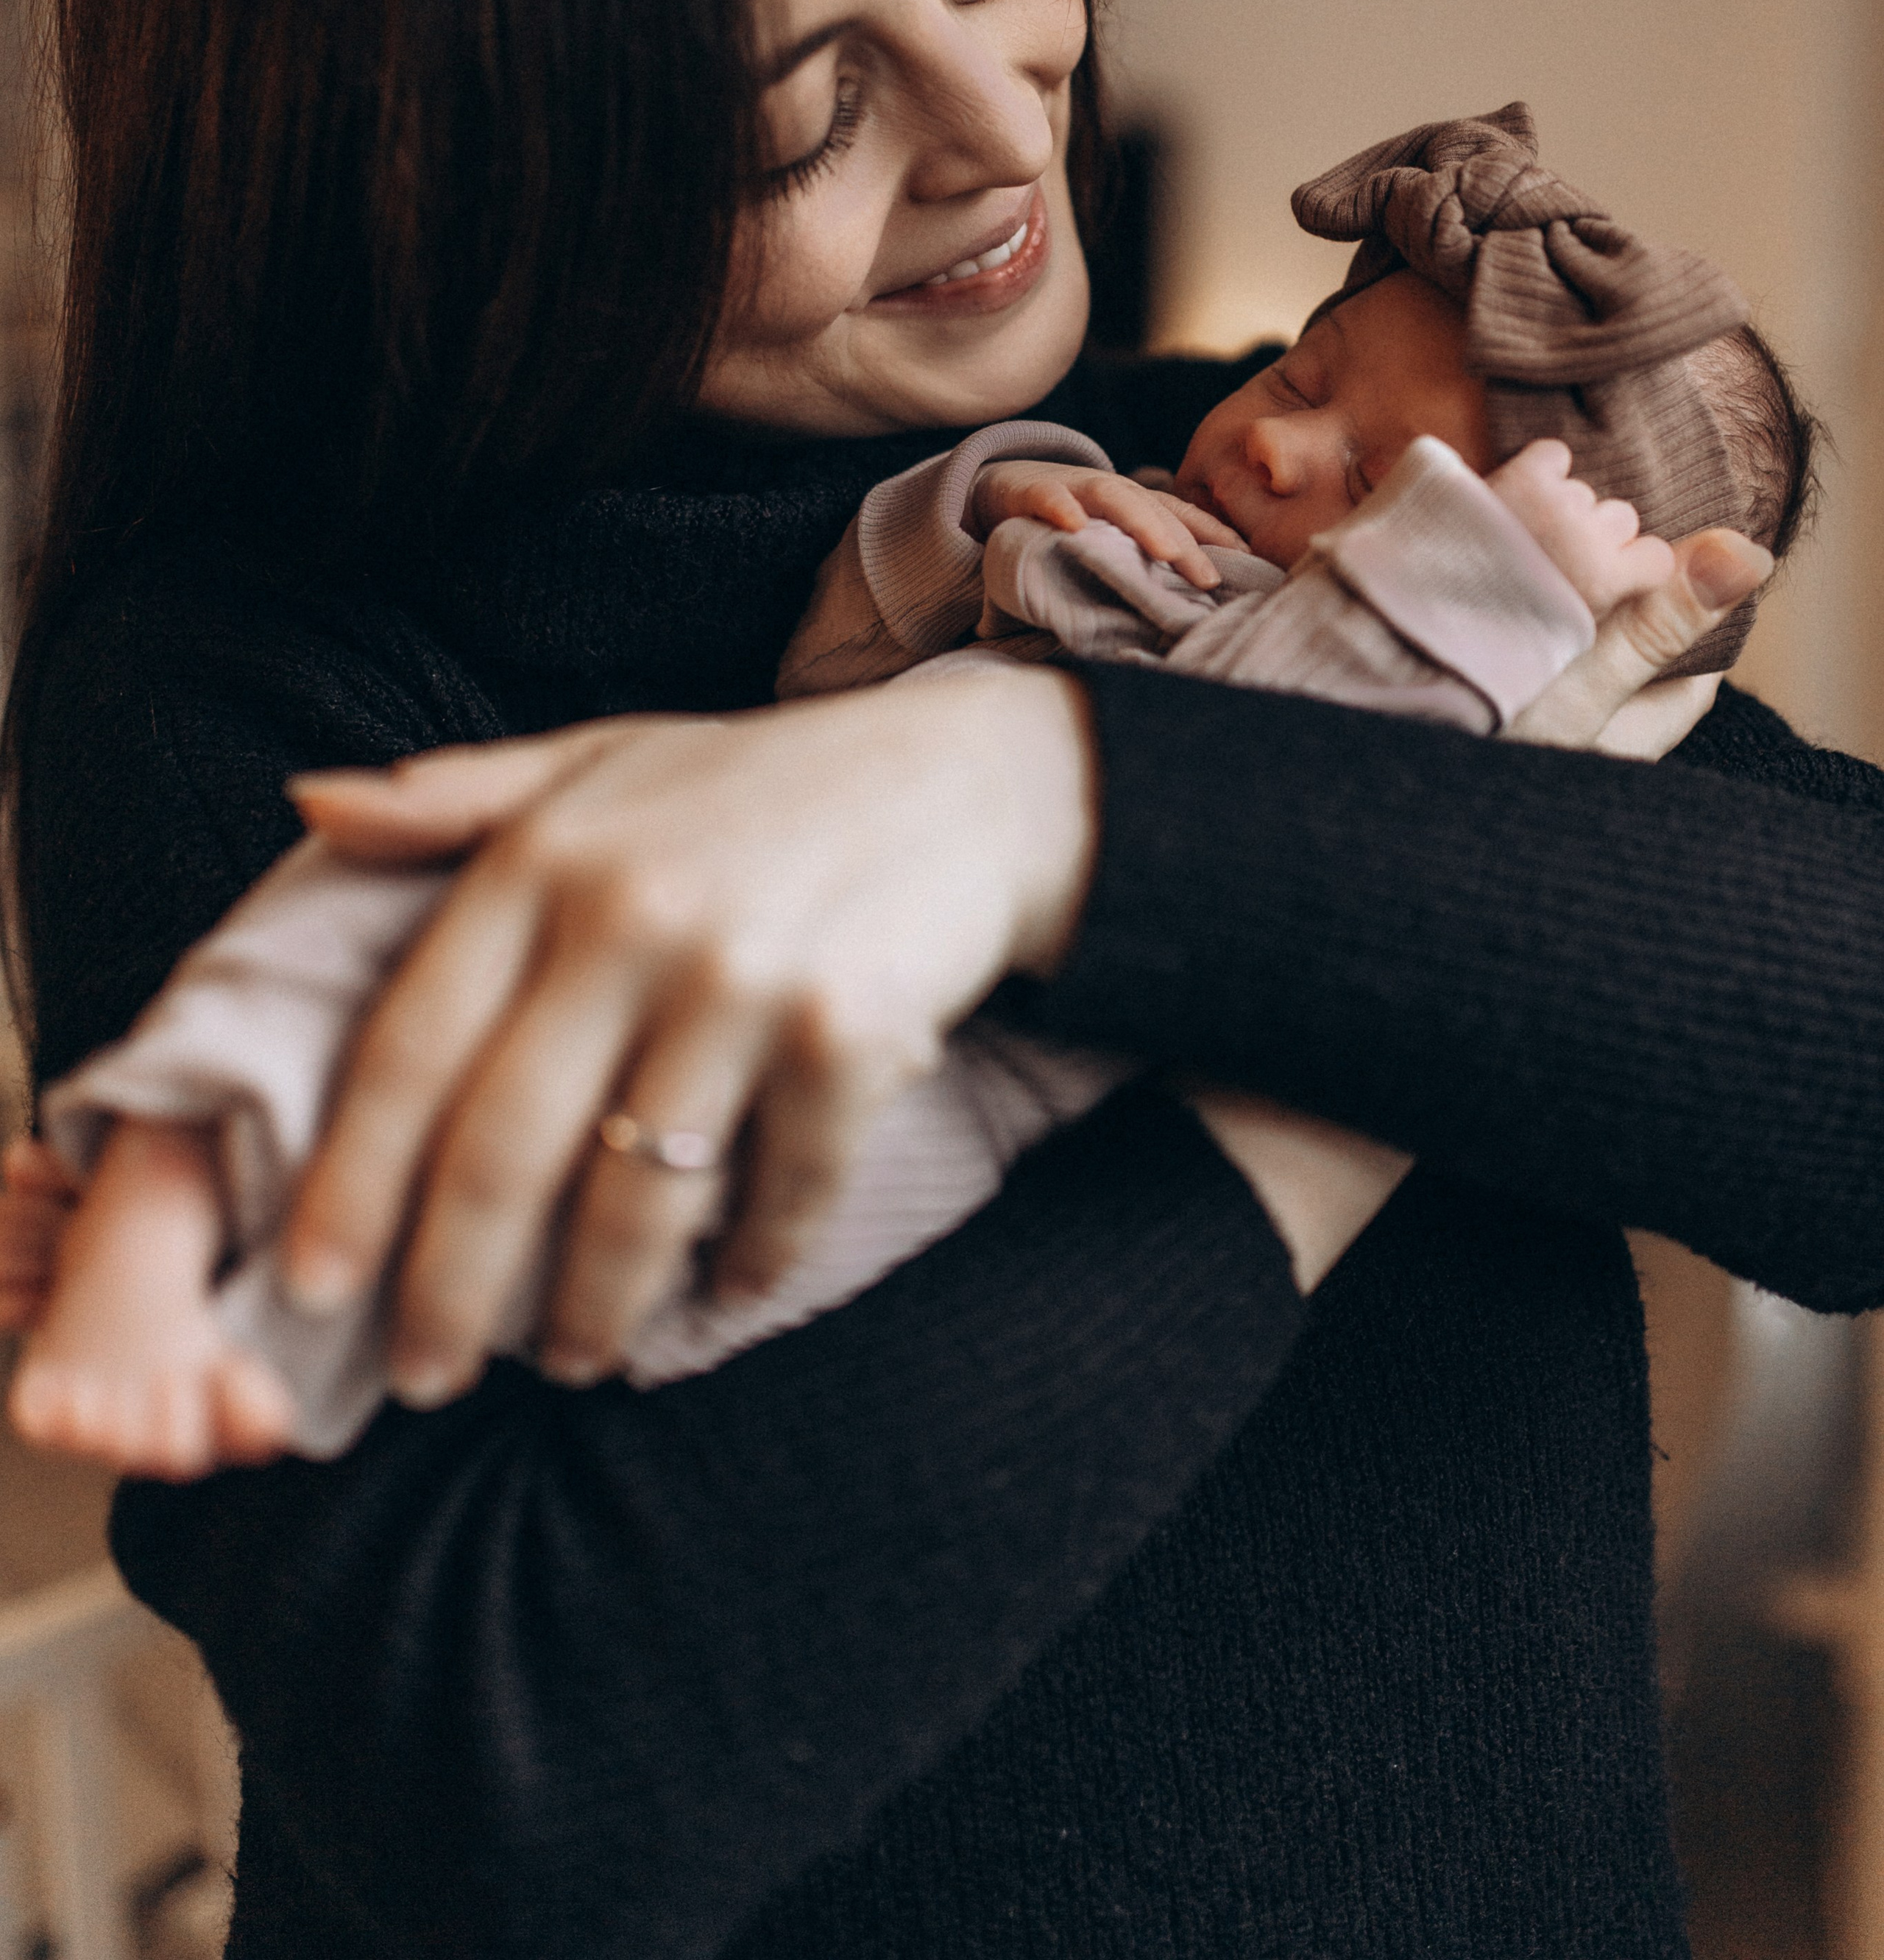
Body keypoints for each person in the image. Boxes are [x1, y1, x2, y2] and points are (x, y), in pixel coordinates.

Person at [8, 0, 1881, 1960]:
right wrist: (1295, 1114)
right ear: (451, 169)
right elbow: (512, 1768)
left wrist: (1045, 792)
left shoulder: (1222, 494)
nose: (1007, 131)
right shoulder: (238, 691)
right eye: (803, 118)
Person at [2, 105, 1806, 1470]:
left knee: (636, 1271)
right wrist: (988, 510)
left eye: (1376, 487)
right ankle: (167, 1175)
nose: (1269, 436)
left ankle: (258, 1297)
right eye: (1302, 370)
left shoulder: (1439, 706)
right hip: (673, 877)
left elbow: (1288, 786)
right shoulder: (217, 670)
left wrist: (1431, 625)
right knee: (396, 878)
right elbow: (834, 675)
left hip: (931, 1093)